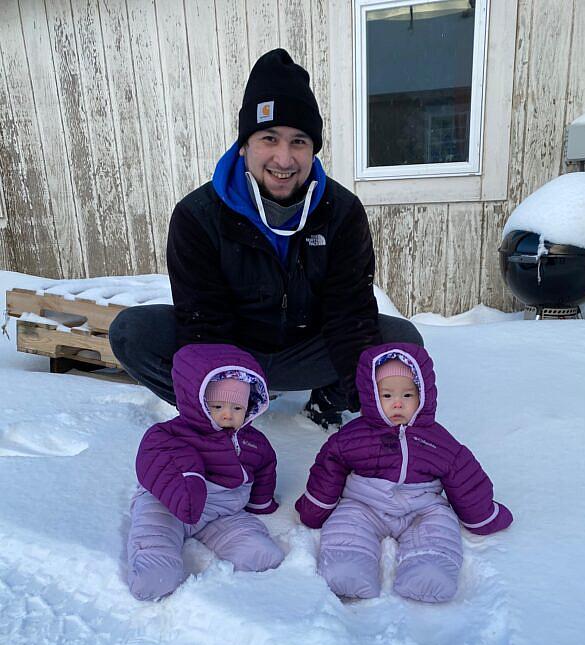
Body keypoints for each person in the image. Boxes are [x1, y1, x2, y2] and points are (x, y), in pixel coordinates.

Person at [109, 48, 422, 429]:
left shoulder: (341, 212)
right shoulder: (198, 216)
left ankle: (326, 403)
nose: (284, 159)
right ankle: (217, 413)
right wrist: (225, 389)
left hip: (308, 351)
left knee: (400, 341)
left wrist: (370, 412)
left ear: (313, 149)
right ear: (245, 144)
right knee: (132, 332)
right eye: (269, 138)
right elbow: (204, 324)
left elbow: (349, 314)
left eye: (299, 142)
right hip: (235, 347)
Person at [295, 343, 513, 602]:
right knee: (347, 523)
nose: (397, 403)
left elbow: (464, 476)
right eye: (387, 396)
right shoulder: (355, 436)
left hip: (421, 508)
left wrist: (483, 516)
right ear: (372, 397)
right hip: (365, 503)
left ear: (422, 396)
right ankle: (348, 566)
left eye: (407, 395)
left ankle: (429, 570)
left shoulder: (436, 439)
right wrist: (315, 509)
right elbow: (328, 469)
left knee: (439, 527)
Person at [127, 343, 284, 601]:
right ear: (198, 402)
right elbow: (153, 461)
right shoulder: (168, 433)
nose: (227, 415)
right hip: (166, 503)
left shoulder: (253, 442)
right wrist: (187, 476)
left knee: (259, 552)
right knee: (155, 533)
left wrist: (261, 503)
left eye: (237, 408)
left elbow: (266, 467)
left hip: (221, 510)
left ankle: (248, 547)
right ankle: (154, 571)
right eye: (218, 406)